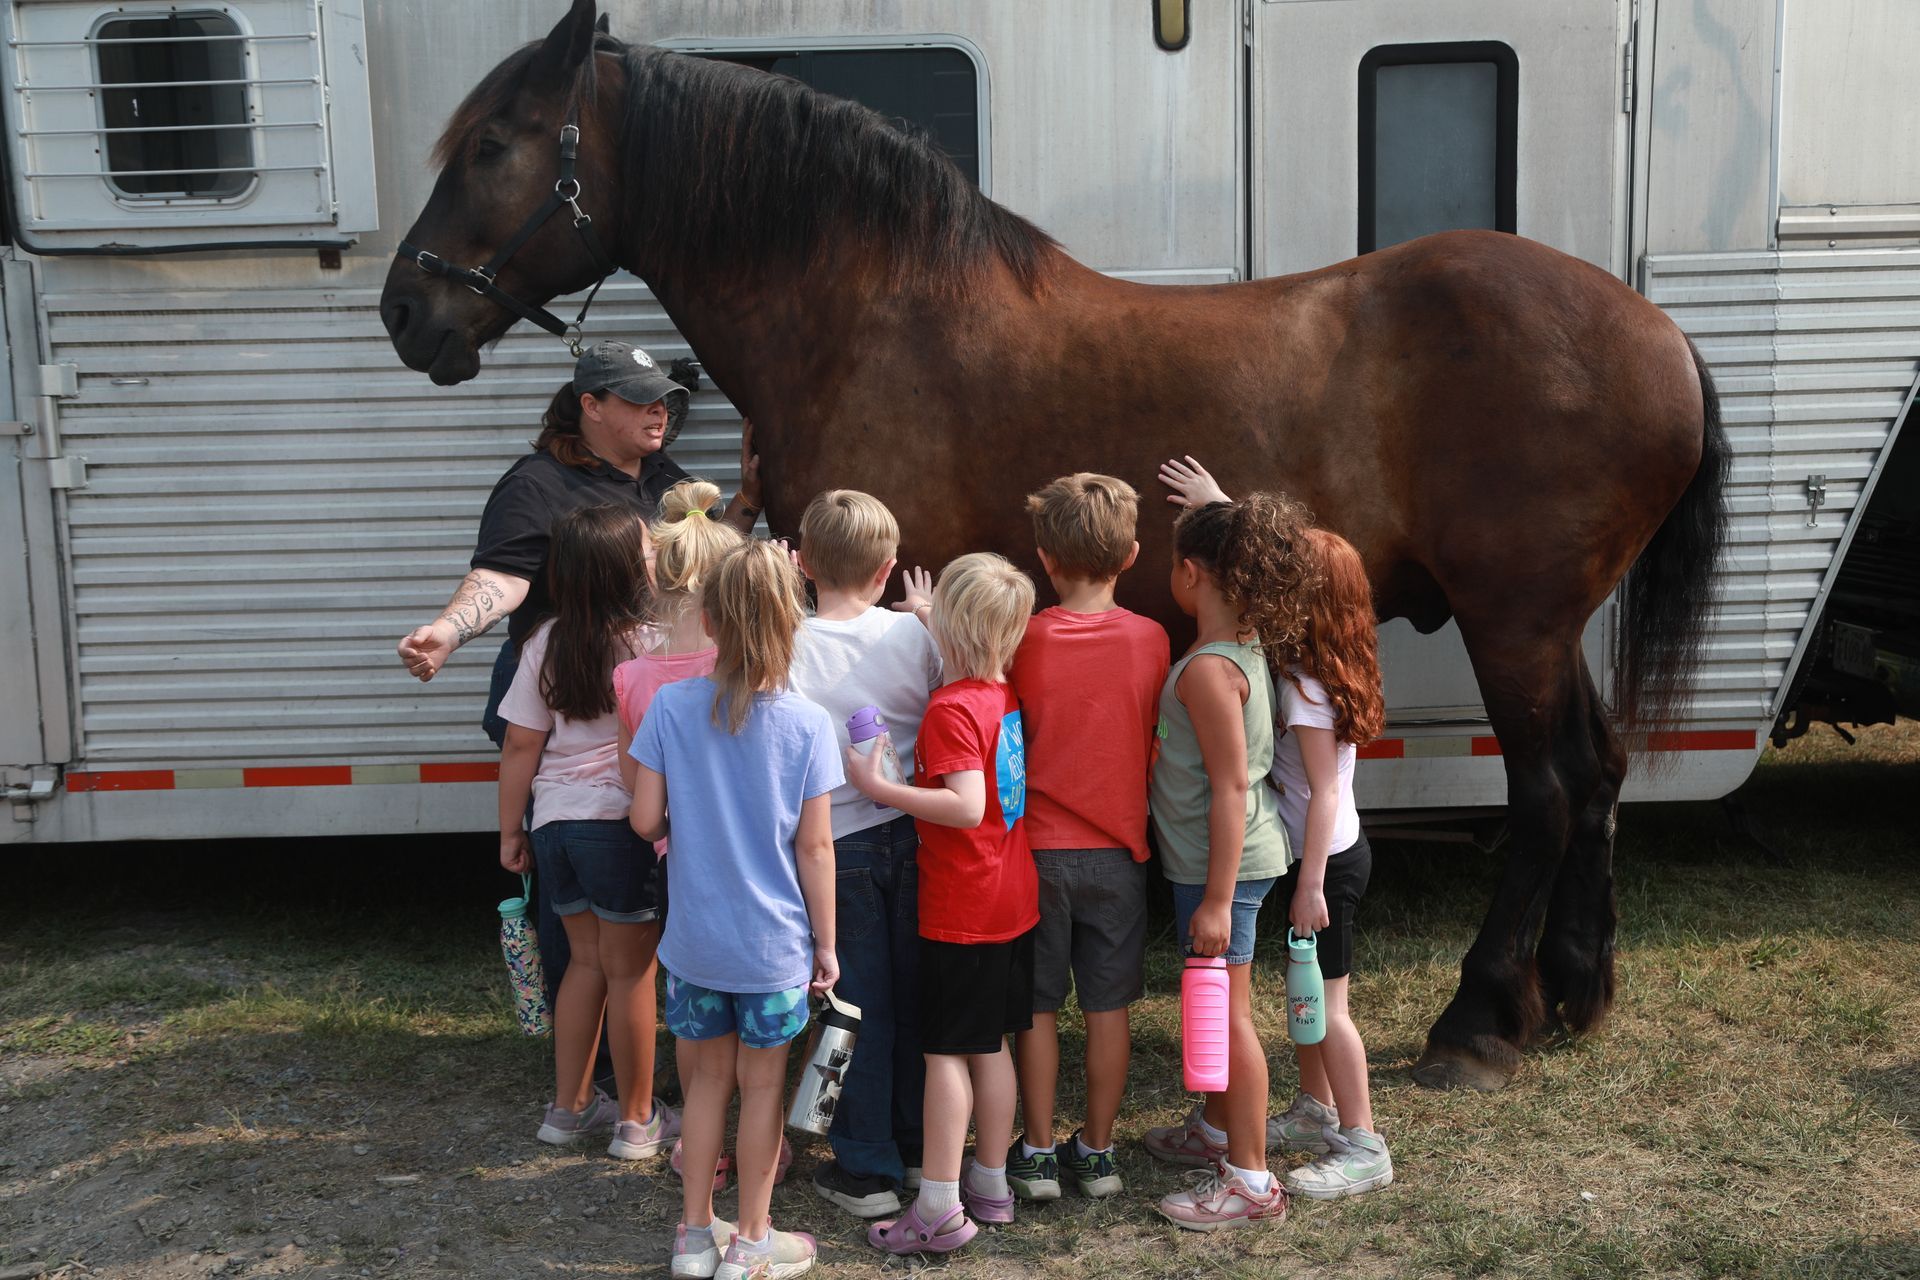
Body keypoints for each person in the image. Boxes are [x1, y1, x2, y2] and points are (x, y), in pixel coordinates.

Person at [1162, 458, 1395, 1197]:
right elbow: (1256, 558)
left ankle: (1361, 1141)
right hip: (1301, 854)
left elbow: (1324, 793)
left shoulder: (1303, 689)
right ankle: (1312, 1108)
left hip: (1327, 858)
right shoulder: (1292, 659)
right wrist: (1218, 505)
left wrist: (1313, 884)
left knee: (1325, 1008)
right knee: (1299, 1000)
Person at [629, 540, 840, 1280]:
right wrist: (828, 946)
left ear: (711, 621)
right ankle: (751, 1241)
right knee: (762, 1090)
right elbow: (816, 849)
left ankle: (693, 1237)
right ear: (792, 622)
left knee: (703, 1086)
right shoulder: (809, 724)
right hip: (774, 947)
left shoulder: (669, 706)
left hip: (694, 944)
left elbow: (645, 821)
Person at [845, 553, 1037, 1257]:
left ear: (949, 630)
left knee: (946, 1055)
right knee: (991, 1046)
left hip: (963, 906)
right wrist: (931, 616)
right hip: (1012, 897)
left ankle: (937, 1208)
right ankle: (990, 1182)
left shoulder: (951, 709)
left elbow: (964, 805)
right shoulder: (999, 689)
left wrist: (880, 787)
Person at [1142, 496, 1316, 1232]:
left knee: (1230, 1015)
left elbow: (1229, 785)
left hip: (1226, 870)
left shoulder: (1209, 671)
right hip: (1227, 863)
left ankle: (1249, 1181)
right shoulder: (1242, 644)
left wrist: (1215, 898)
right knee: (1213, 1007)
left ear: (1189, 573)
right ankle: (1216, 1130)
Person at [1004, 475, 1168, 1202]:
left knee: (1035, 1009)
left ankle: (1037, 1152)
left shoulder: (1023, 638)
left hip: (1034, 852)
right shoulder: (1154, 639)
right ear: (1131, 555)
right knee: (1109, 1009)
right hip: (1118, 855)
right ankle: (1097, 1152)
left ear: (1044, 558)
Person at [495, 505, 678, 1158]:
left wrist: (508, 830)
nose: (657, 555)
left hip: (555, 826)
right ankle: (636, 1120)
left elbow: (520, 745)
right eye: (648, 550)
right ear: (627, 570)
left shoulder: (544, 639)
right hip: (618, 824)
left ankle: (567, 1109)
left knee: (582, 965)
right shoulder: (652, 641)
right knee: (632, 973)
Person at [788, 490, 944, 1220]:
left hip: (833, 846)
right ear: (888, 569)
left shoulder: (786, 642)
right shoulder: (915, 637)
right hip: (915, 837)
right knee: (916, 997)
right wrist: (924, 615)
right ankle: (918, 1146)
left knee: (852, 1005)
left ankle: (865, 1167)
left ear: (805, 563)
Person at [613, 480, 743, 792]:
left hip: (674, 840)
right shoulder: (746, 664)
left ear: (657, 580)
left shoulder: (630, 678)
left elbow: (635, 786)